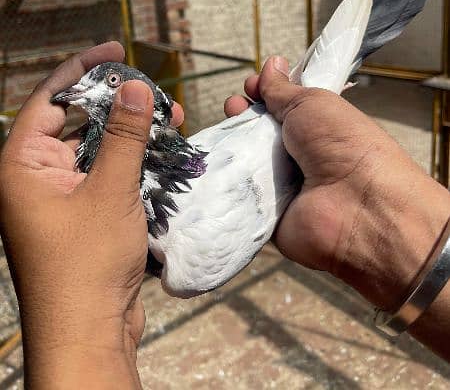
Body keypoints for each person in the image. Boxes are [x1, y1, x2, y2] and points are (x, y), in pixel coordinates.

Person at [0, 42, 448, 389]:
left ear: (144, 102)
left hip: (276, 144)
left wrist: (72, 326)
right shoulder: (152, 213)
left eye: (111, 81)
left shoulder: (186, 259)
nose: (84, 93)